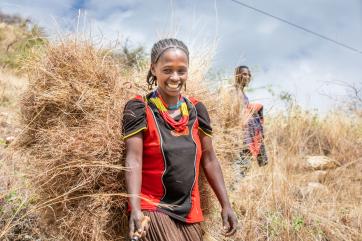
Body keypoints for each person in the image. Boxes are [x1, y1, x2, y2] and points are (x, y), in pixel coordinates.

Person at [122, 38, 238, 241]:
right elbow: (134, 159)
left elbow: (209, 159)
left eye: (181, 70)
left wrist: (226, 205)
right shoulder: (139, 108)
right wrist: (135, 208)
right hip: (153, 206)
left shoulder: (197, 110)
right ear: (153, 68)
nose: (175, 77)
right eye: (167, 70)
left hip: (190, 212)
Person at [234, 66, 268, 176]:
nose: (247, 77)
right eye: (244, 74)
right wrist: (251, 110)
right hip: (239, 138)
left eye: (248, 75)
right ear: (237, 75)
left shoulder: (243, 94)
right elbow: (236, 115)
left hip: (246, 138)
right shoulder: (233, 91)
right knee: (238, 172)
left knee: (243, 170)